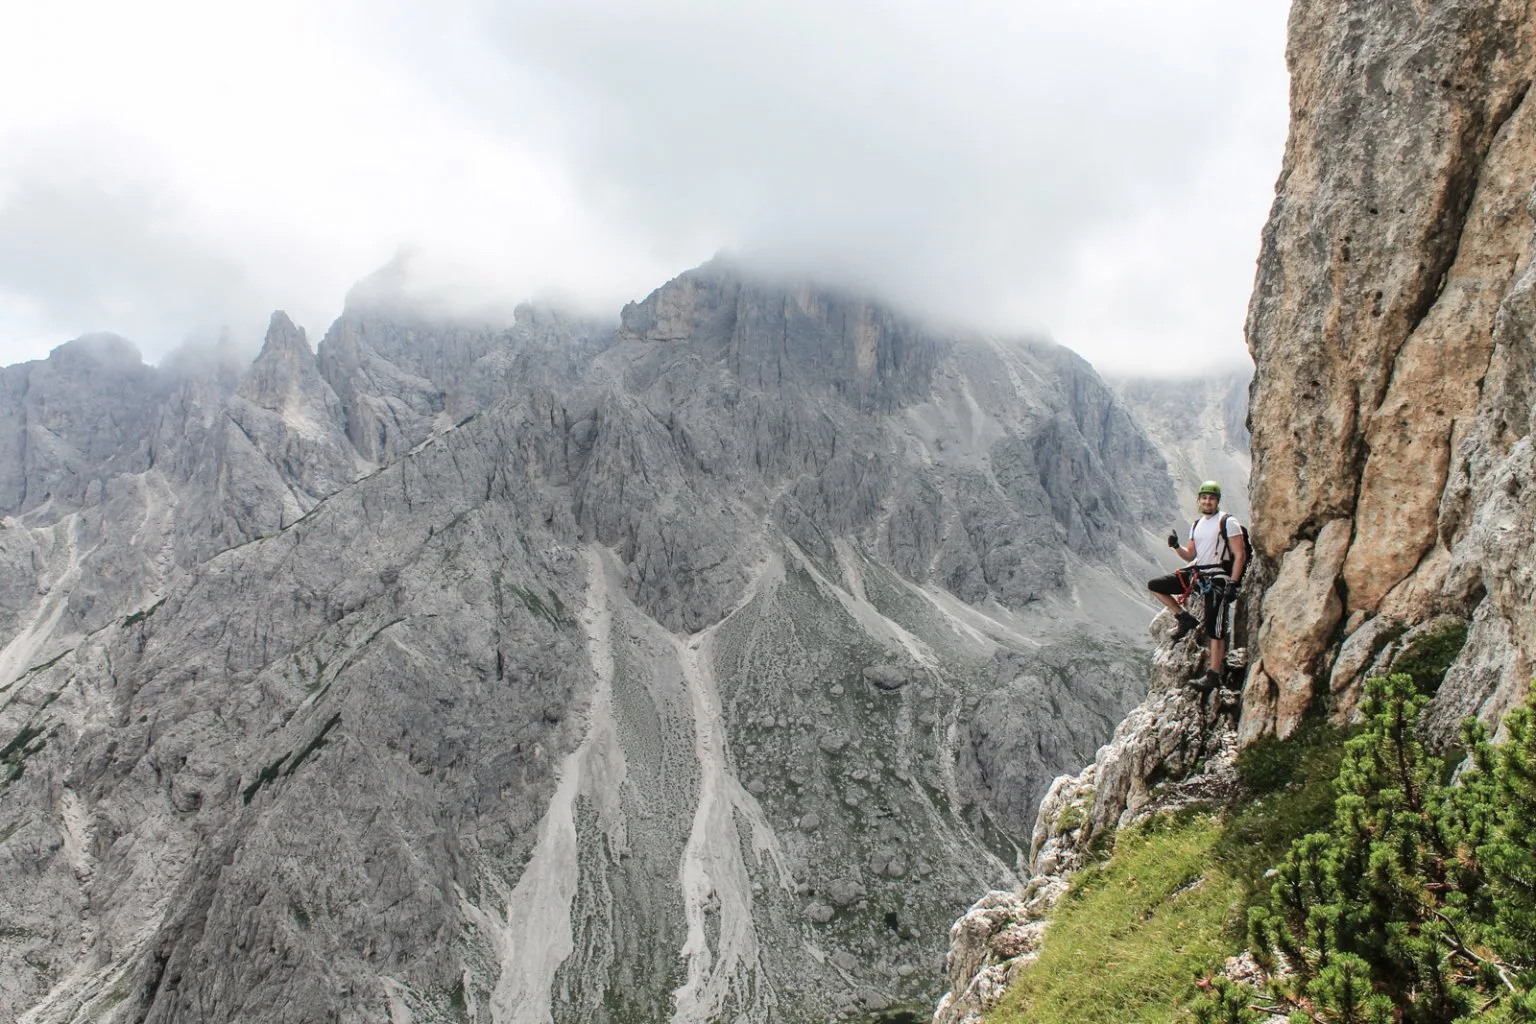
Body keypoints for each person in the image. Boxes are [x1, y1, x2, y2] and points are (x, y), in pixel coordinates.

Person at [1148, 480, 1247, 691]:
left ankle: (1213, 675)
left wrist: (1233, 583)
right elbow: (1190, 555)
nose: (1207, 501)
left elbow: (1240, 554)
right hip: (1199, 574)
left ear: (1217, 501)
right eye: (1204, 498)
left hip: (1219, 578)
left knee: (1215, 628)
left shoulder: (1228, 522)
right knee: (1156, 585)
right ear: (1199, 500)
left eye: (1211, 498)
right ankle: (1184, 617)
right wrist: (1176, 546)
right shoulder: (1197, 524)